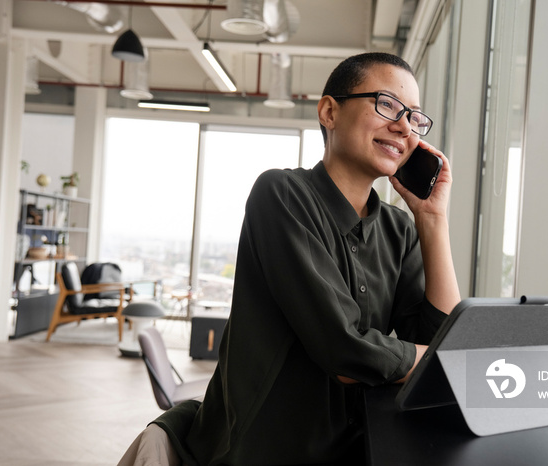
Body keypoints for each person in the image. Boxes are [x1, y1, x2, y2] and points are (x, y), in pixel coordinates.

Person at [120, 52, 460, 466]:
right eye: (387, 104)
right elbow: (346, 351)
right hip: (259, 451)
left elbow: (435, 336)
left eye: (414, 117)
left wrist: (432, 220)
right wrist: (444, 359)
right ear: (329, 111)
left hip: (358, 446)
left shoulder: (399, 229)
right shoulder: (281, 194)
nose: (404, 126)